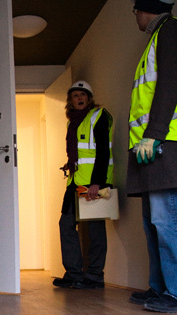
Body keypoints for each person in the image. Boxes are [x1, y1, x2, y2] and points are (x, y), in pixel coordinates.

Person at [127, 0, 177, 312]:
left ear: (146, 9)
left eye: (135, 11)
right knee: (154, 222)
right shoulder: (158, 38)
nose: (135, 17)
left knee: (169, 218)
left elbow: (169, 85)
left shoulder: (171, 31)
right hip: (153, 146)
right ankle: (161, 288)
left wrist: (155, 133)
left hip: (165, 143)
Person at [53, 81, 114, 290]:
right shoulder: (72, 122)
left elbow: (103, 151)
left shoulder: (99, 116)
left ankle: (95, 276)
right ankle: (73, 273)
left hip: (93, 183)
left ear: (89, 98)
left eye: (82, 95)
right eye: (74, 96)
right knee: (66, 225)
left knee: (95, 229)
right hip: (75, 182)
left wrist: (97, 182)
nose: (78, 99)